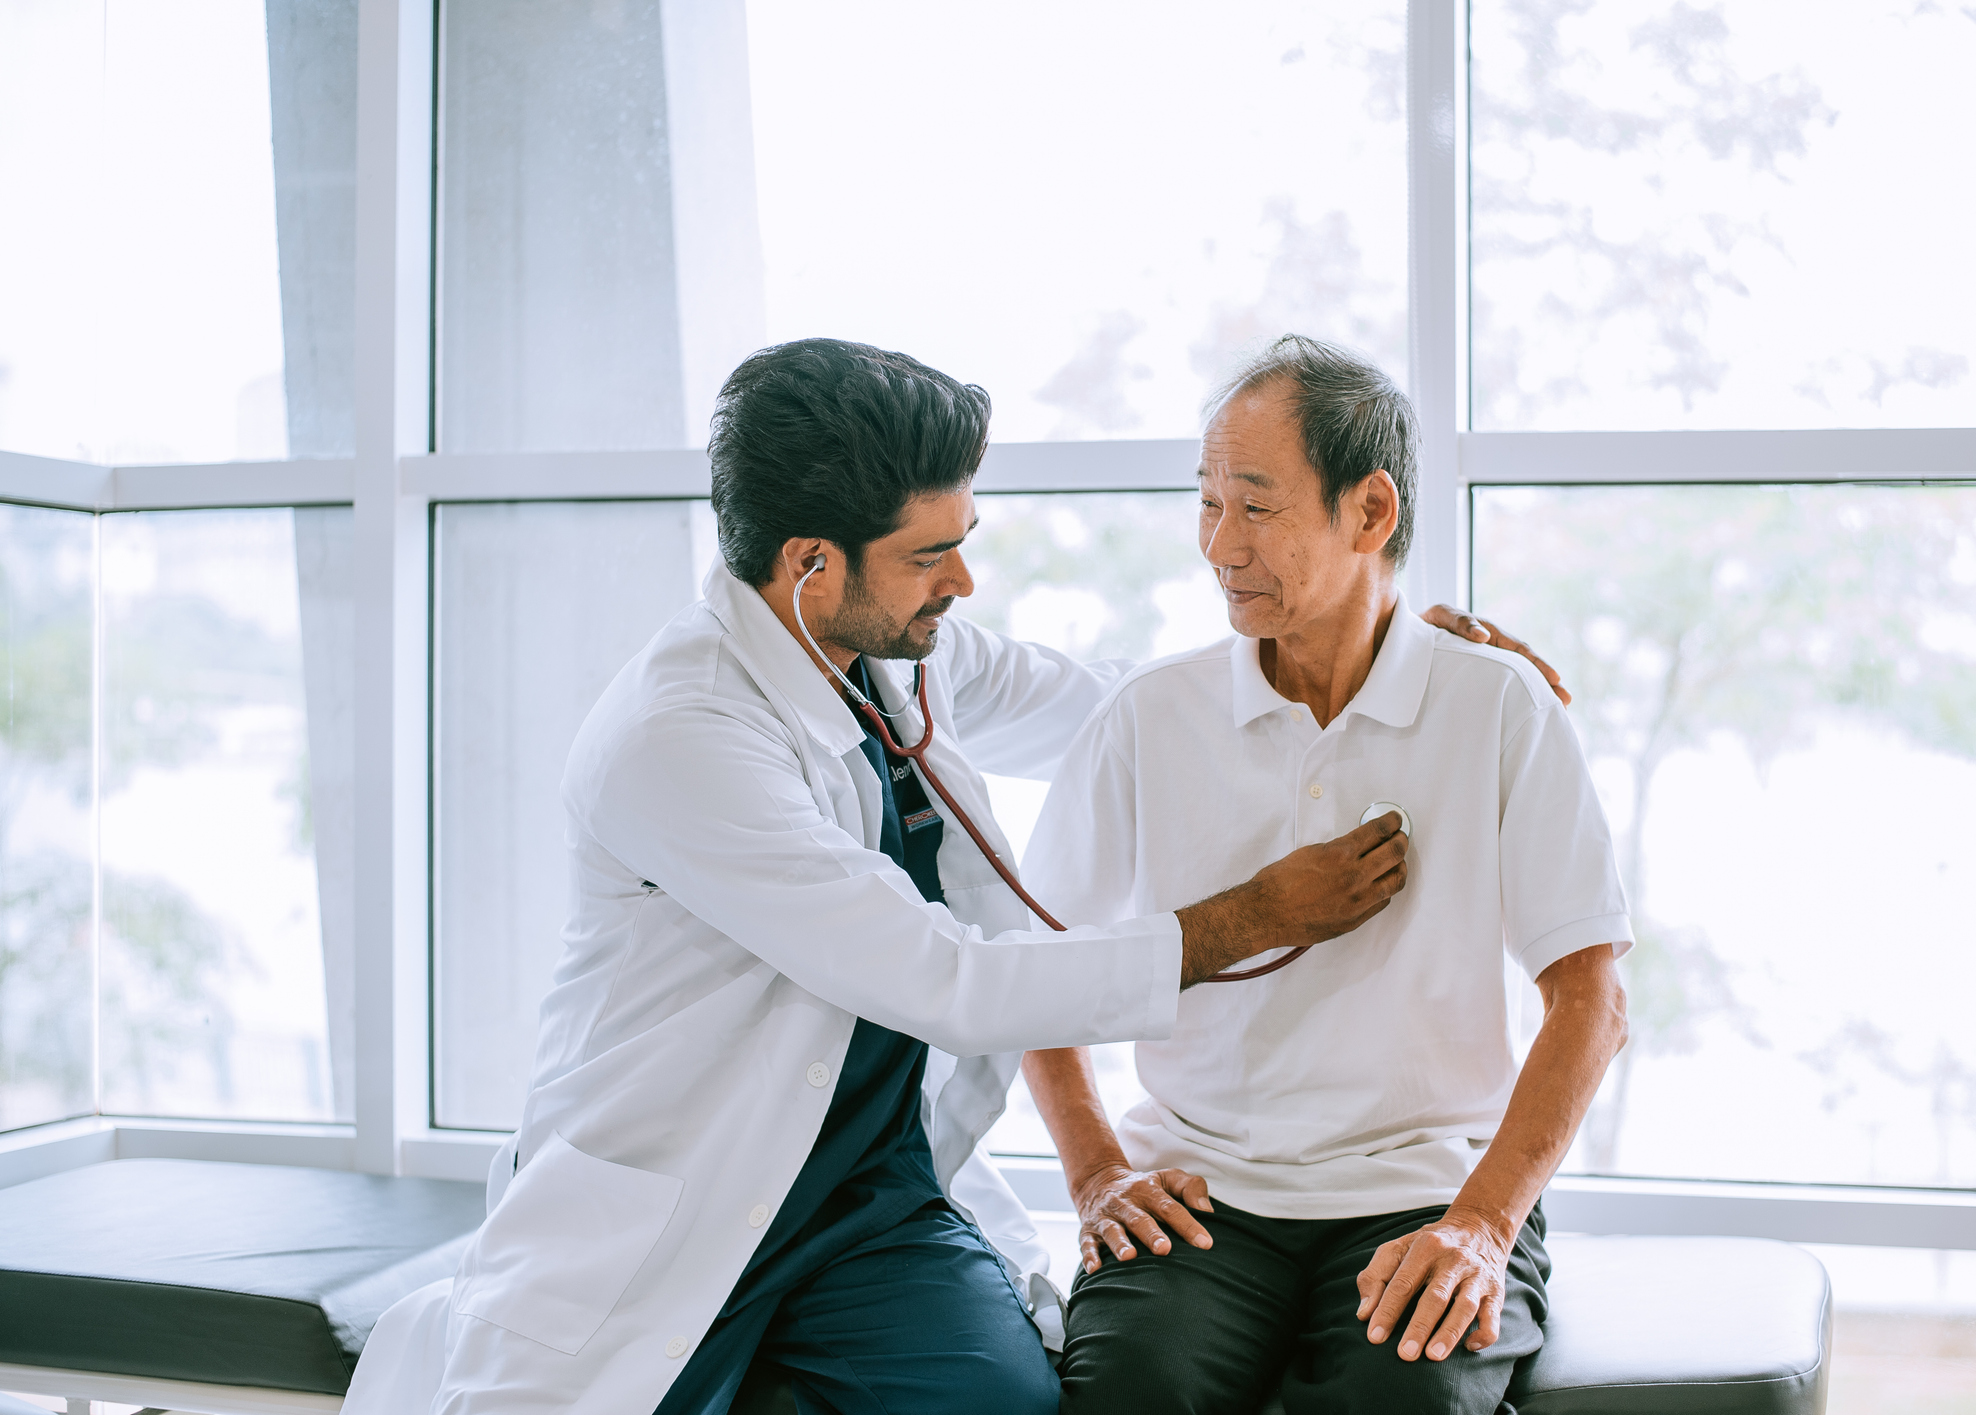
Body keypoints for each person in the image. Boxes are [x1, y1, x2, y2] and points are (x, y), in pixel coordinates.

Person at [342, 338, 1420, 1415]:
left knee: (1008, 1408)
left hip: (867, 1203)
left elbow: (1128, 710)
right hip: (673, 1203)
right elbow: (947, 979)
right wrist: (1250, 918)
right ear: (812, 565)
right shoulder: (679, 736)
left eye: (963, 542)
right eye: (929, 554)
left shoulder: (897, 648)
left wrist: (1364, 642)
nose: (961, 580)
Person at [1021, 335, 1633, 1415]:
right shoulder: (1148, 718)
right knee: (1126, 1394)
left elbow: (1589, 998)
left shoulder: (1497, 704)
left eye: (1254, 506)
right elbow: (1039, 976)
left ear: (1371, 511)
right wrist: (1096, 1172)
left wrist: (1482, 1223)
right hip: (1200, 1194)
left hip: (1425, 1181)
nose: (1217, 543)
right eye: (1205, 503)